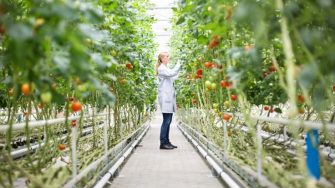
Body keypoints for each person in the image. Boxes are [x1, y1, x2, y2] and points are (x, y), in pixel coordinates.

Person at [155, 52, 181, 150]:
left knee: (168, 120)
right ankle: (163, 143)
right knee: (166, 120)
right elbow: (171, 74)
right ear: (162, 59)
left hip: (168, 97)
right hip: (165, 97)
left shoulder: (165, 68)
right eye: (167, 56)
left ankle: (167, 141)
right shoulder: (161, 68)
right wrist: (178, 64)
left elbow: (173, 76)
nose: (169, 58)